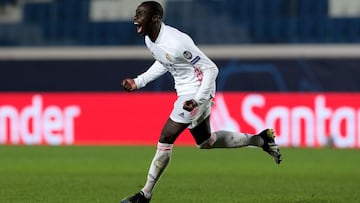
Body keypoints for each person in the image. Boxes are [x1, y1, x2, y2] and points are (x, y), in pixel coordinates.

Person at [120, 1, 282, 202]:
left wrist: (197, 100)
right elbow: (164, 62)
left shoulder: (177, 41)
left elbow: (211, 69)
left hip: (196, 92)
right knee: (206, 141)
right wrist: (138, 81)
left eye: (140, 14)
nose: (135, 17)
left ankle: (144, 194)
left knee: (166, 137)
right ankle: (261, 140)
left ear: (155, 18)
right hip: (187, 95)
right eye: (136, 13)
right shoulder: (150, 40)